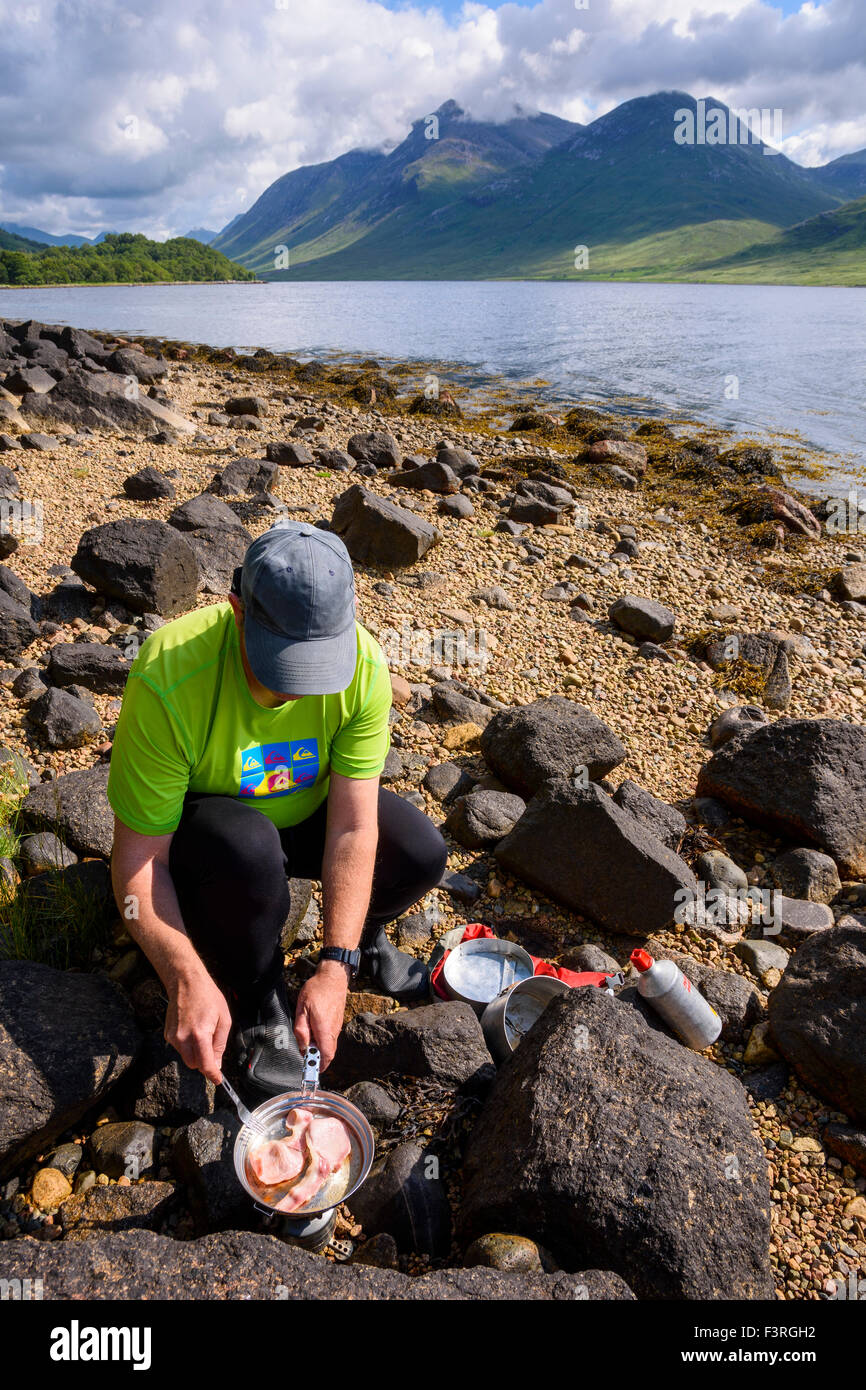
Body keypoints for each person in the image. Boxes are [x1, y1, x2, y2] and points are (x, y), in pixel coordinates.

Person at [108, 519, 447, 1100]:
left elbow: (353, 825)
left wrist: (335, 964)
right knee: (250, 850)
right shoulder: (170, 674)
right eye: (283, 661)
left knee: (419, 852)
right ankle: (256, 992)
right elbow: (138, 860)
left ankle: (361, 940)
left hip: (310, 813)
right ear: (237, 610)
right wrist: (183, 975)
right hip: (215, 836)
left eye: (317, 664)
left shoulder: (364, 669)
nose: (302, 687)